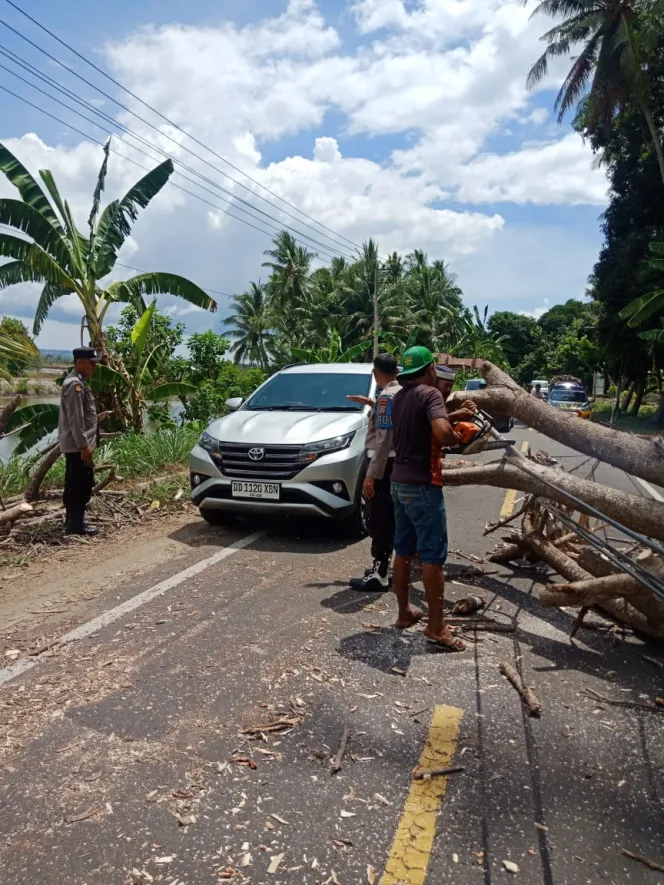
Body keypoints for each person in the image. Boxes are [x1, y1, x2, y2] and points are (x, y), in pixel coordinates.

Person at [390, 346, 465, 651]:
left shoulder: (399, 397)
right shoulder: (430, 394)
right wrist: (455, 436)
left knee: (403, 550)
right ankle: (436, 628)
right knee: (433, 557)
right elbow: (440, 430)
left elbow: (418, 427)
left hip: (399, 482)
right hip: (422, 485)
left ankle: (404, 613)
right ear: (430, 368)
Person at [347, 353, 400, 592]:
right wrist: (371, 405)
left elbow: (383, 439)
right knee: (389, 517)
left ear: (375, 372)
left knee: (377, 518)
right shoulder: (398, 392)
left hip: (382, 465)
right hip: (394, 465)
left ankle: (379, 574)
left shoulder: (386, 397)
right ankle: (384, 569)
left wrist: (372, 475)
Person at [58, 346, 100, 536]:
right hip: (79, 446)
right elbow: (76, 418)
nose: (94, 367)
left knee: (79, 482)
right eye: (92, 363)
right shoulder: (74, 384)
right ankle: (75, 524)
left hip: (80, 445)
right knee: (80, 484)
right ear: (80, 362)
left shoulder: (79, 382)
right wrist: (83, 444)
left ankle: (74, 520)